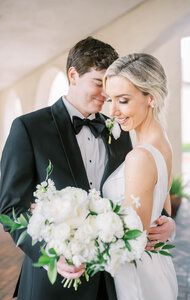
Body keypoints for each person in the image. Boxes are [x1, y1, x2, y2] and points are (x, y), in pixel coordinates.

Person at [0, 38, 175, 300]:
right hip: (53, 283)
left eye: (110, 87)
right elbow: (11, 208)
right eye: (98, 83)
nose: (106, 96)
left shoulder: (119, 128)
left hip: (110, 283)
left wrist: (165, 220)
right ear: (73, 75)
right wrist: (51, 254)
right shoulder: (28, 128)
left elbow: (136, 190)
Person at [103, 53, 178, 299]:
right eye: (110, 100)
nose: (112, 111)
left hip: (137, 279)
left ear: (151, 97)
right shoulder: (162, 142)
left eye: (122, 100)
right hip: (157, 268)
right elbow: (163, 213)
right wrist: (170, 225)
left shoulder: (139, 157)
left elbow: (131, 241)